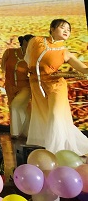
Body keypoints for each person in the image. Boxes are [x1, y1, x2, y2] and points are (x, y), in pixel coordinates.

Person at [25, 19, 88, 154]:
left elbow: (83, 69)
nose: (66, 31)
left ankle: (56, 150)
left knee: (55, 114)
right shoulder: (36, 41)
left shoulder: (64, 52)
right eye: (62, 27)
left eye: (68, 30)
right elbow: (28, 59)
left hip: (55, 85)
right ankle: (45, 145)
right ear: (52, 29)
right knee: (43, 115)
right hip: (36, 84)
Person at [1, 34, 34, 138]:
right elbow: (3, 67)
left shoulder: (33, 56)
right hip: (10, 85)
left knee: (15, 105)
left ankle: (15, 133)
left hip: (25, 86)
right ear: (24, 42)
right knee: (18, 108)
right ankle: (25, 131)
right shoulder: (9, 52)